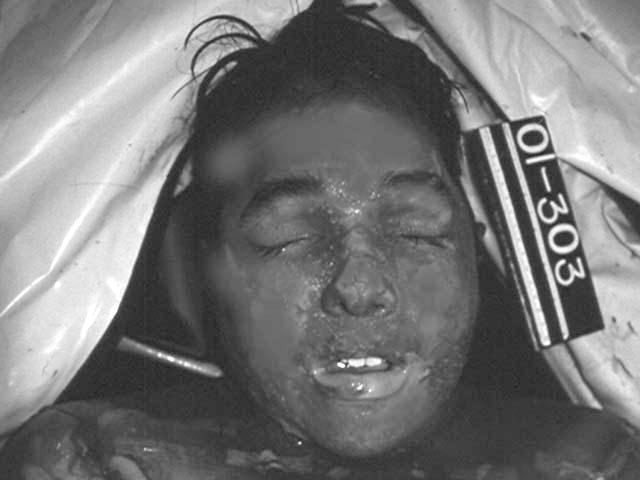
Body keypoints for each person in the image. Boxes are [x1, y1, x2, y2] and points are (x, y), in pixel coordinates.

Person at [1, 1, 639, 478]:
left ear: (474, 249)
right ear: (202, 267)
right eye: (290, 235)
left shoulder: (592, 464)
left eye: (416, 231)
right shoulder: (91, 461)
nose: (360, 286)